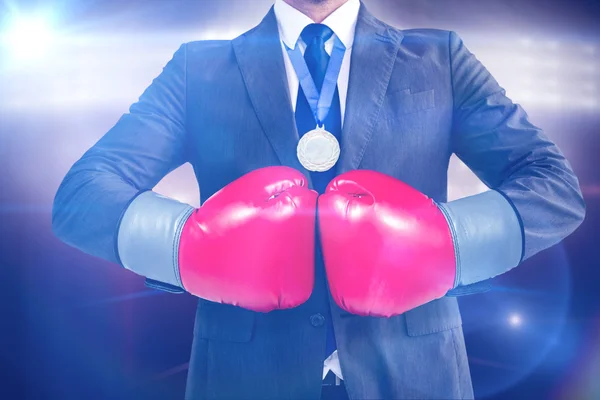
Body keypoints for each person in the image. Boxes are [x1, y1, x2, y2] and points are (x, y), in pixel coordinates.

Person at [51, 0, 586, 399]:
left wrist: (445, 244)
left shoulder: (439, 58)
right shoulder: (198, 69)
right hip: (247, 379)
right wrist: (191, 248)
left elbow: (553, 186)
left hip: (416, 375)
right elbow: (83, 194)